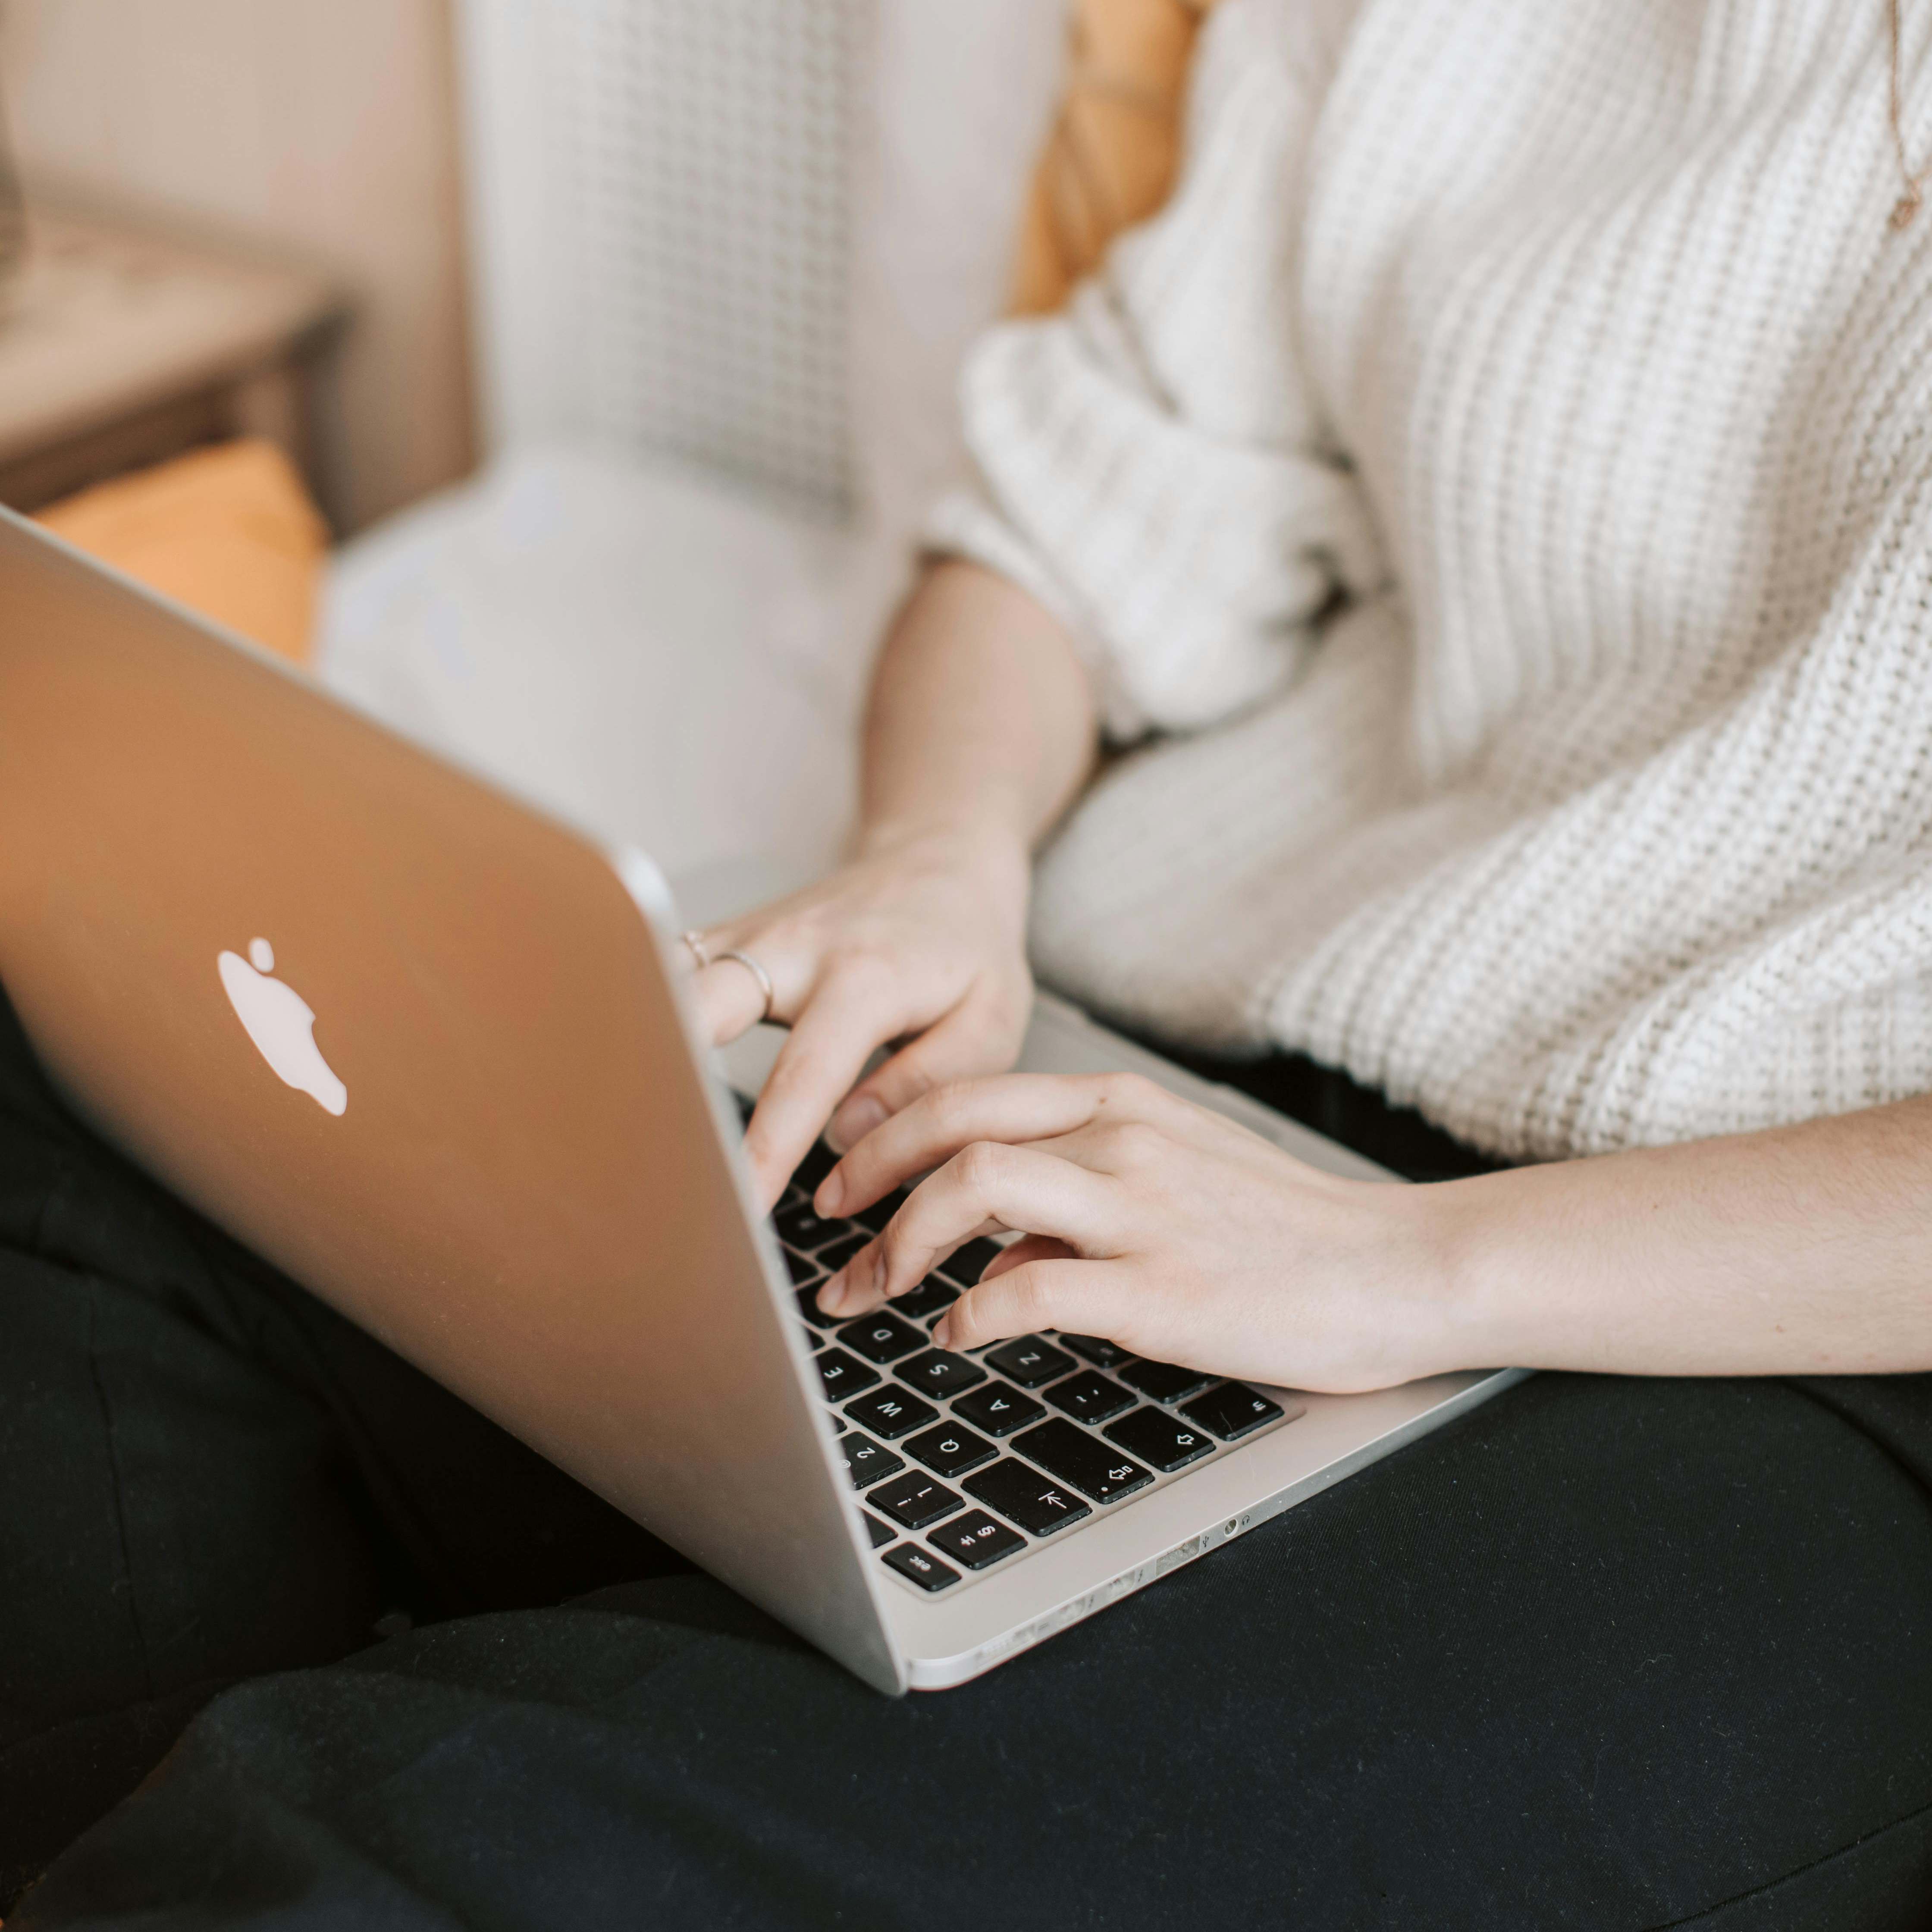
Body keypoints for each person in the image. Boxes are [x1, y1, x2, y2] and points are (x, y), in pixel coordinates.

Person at [9, 0, 1932, 1923]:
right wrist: (937, 862)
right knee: (72, 1118)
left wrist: (1407, 1271)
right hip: (1192, 1093)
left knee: (409, 1853)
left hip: (1784, 1332)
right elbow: (1072, 525)